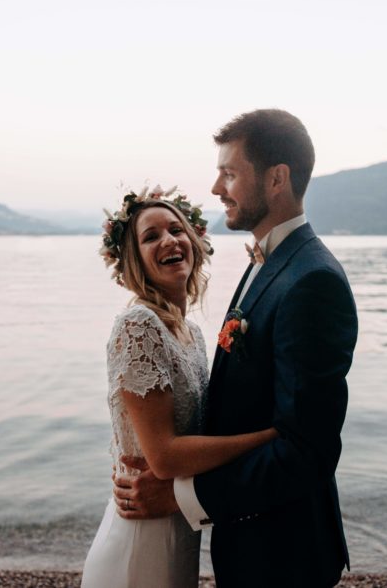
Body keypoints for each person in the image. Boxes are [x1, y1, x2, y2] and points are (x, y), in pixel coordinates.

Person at [113, 110, 358, 587]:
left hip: (283, 556)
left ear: (276, 180)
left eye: (229, 172)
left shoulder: (313, 281)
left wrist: (182, 497)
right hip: (250, 542)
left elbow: (308, 452)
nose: (215, 188)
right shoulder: (269, 263)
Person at [81, 185, 279, 588]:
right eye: (150, 237)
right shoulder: (138, 326)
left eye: (176, 229)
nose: (169, 241)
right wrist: (270, 438)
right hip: (141, 538)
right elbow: (166, 458)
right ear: (133, 259)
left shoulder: (191, 332)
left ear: (194, 239)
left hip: (178, 524)